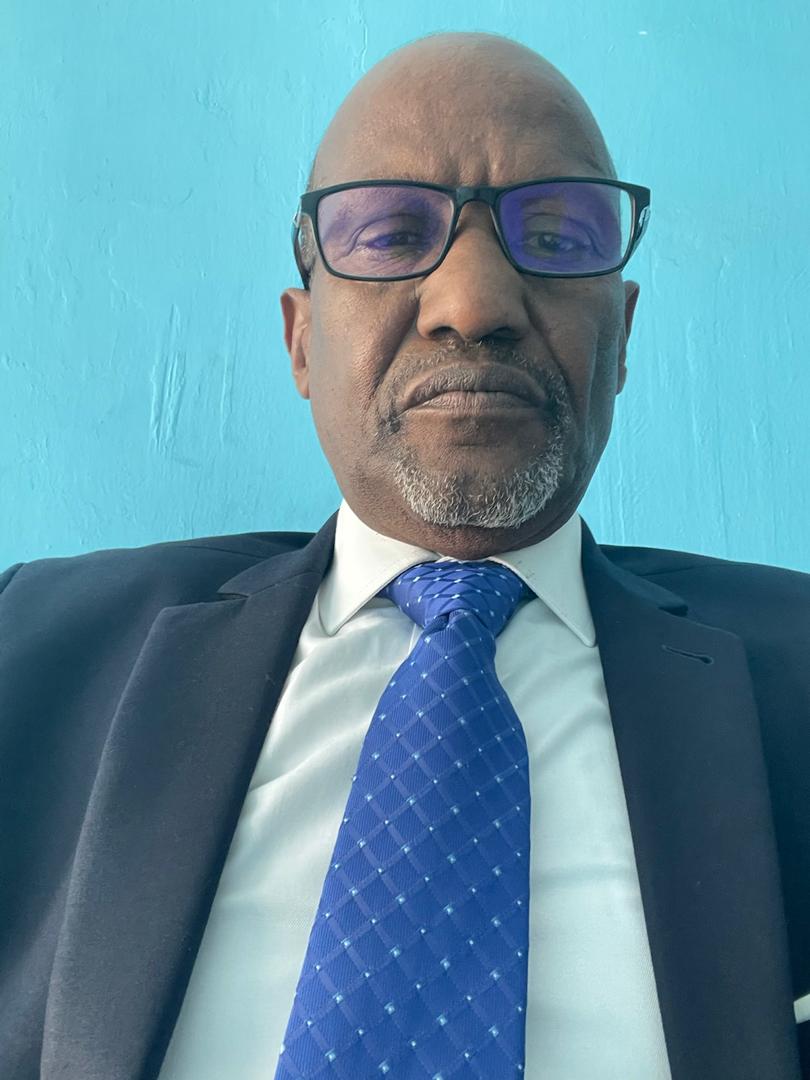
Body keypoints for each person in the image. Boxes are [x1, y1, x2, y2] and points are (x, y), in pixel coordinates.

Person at [0, 28, 808, 1080]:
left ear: (624, 335)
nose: (473, 306)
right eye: (390, 235)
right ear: (301, 340)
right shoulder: (30, 647)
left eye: (556, 236)